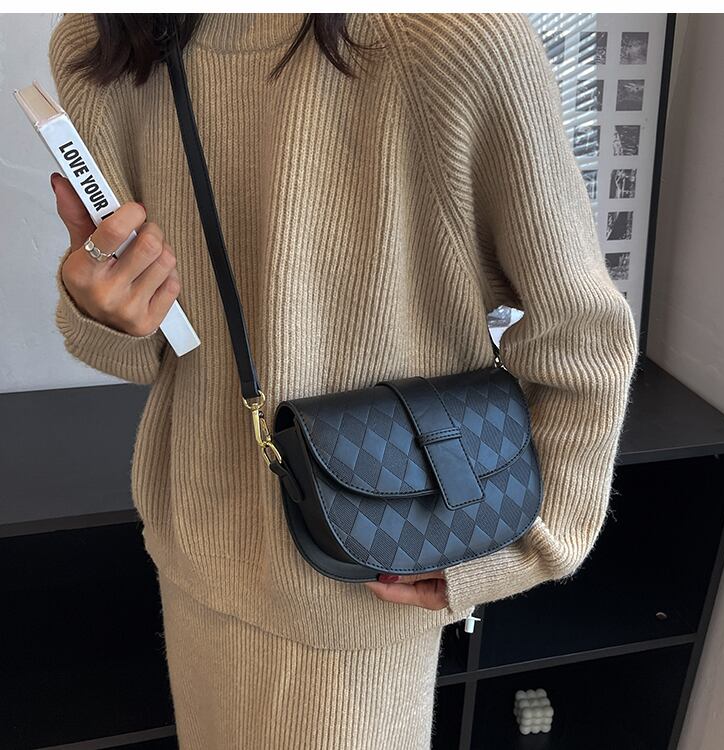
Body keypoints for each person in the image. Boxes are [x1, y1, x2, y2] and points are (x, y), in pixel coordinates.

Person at [48, 12, 639, 749]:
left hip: (364, 585)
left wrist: (528, 546)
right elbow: (154, 355)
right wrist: (104, 310)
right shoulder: (105, 49)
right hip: (195, 556)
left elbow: (582, 339)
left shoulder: (452, 43)